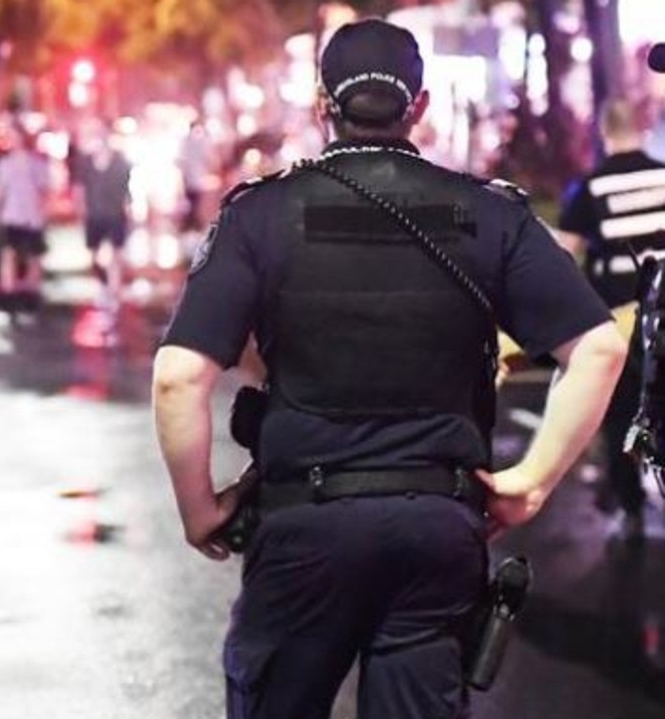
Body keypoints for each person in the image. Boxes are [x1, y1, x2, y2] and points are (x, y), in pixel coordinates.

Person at [153, 19, 627, 719]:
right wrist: (529, 482)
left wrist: (200, 510)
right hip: (435, 530)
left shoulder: (261, 214)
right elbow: (598, 346)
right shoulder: (487, 214)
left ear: (322, 105)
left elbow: (177, 377)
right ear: (420, 105)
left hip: (303, 529)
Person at [557, 99, 665, 540]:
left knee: (620, 409)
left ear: (603, 132)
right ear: (641, 128)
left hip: (617, 319)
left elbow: (566, 253)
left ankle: (629, 498)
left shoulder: (590, 187)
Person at [0, 123, 50, 312]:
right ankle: (9, 294)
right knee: (8, 254)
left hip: (32, 216)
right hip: (11, 215)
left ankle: (31, 294)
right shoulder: (4, 165)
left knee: (33, 257)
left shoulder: (37, 163)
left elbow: (44, 191)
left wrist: (43, 212)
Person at [73, 122, 133, 319]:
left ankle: (114, 294)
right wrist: (80, 209)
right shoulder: (86, 162)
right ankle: (103, 285)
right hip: (94, 214)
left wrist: (129, 209)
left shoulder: (120, 161)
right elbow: (80, 188)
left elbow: (127, 189)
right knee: (94, 255)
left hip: (115, 213)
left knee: (116, 255)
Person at [178, 120, 212, 234]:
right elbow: (207, 158)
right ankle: (193, 223)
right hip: (196, 178)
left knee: (192, 201)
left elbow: (182, 160)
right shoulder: (201, 141)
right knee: (194, 202)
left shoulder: (187, 141)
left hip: (190, 178)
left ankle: (191, 224)